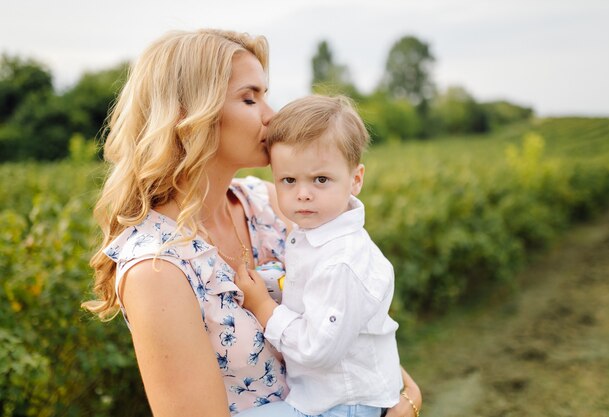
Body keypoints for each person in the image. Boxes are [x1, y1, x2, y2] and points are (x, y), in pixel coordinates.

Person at [82, 28, 421, 417]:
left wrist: (404, 399)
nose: (271, 115)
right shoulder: (157, 268)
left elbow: (348, 320)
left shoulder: (270, 203)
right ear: (188, 116)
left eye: (265, 95)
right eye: (249, 98)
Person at [235, 95, 418, 417]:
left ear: (356, 179)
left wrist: (263, 306)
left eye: (321, 179)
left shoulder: (341, 260)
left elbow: (315, 349)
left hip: (343, 404)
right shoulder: (313, 237)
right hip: (327, 397)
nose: (303, 192)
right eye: (288, 180)